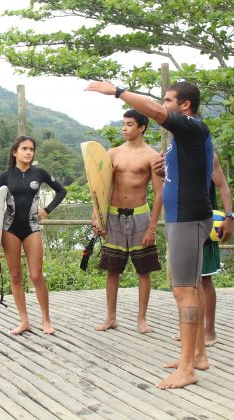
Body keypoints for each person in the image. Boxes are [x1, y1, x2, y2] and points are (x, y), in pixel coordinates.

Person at [86, 80, 213, 389]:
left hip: (187, 217)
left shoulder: (191, 127)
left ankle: (187, 369)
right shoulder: (184, 139)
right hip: (185, 216)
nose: (164, 104)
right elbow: (187, 174)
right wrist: (162, 170)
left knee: (183, 290)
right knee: (191, 286)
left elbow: (155, 112)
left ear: (184, 105)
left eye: (169, 100)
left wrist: (116, 91)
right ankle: (196, 356)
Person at [93, 109, 163, 334]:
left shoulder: (152, 157)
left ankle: (142, 319)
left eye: (129, 124)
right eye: (123, 124)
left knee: (144, 270)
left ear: (141, 127)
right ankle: (110, 317)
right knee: (112, 270)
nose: (124, 128)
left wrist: (152, 227)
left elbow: (159, 193)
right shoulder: (112, 153)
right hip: (113, 216)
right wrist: (97, 216)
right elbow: (101, 187)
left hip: (140, 215)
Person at [0, 135, 66, 335]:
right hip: (9, 229)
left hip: (32, 227)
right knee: (15, 276)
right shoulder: (5, 176)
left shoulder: (39, 173)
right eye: (24, 148)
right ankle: (24, 321)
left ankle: (46, 320)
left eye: (31, 149)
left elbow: (61, 191)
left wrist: (46, 210)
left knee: (36, 275)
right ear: (15, 152)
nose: (29, 152)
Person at [173, 153, 234, 345]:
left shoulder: (208, 154)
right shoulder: (172, 154)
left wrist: (229, 216)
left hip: (206, 224)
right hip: (181, 223)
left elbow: (223, 185)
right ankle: (189, 329)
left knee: (204, 278)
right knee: (185, 283)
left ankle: (210, 331)